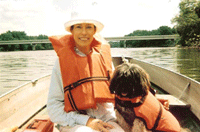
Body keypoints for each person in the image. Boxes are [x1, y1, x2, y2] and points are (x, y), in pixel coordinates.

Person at [47, 10, 125, 132]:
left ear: (94, 31)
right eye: (78, 27)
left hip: (106, 119)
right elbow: (53, 109)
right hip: (74, 122)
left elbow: (119, 96)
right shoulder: (61, 63)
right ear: (72, 31)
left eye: (88, 27)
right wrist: (87, 121)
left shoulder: (105, 59)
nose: (84, 32)